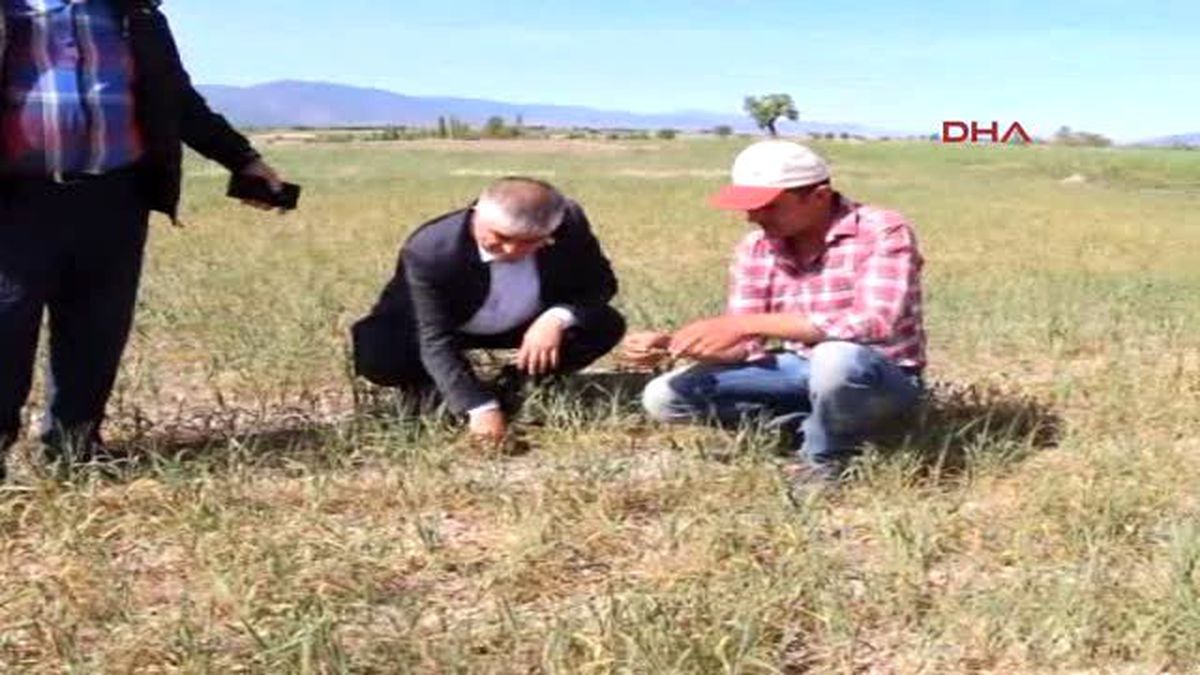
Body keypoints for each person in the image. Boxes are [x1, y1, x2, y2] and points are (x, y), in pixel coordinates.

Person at [0, 0, 288, 480]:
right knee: (5, 327)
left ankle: (76, 447)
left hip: (115, 199)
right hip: (13, 202)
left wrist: (243, 160)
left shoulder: (134, 13)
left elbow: (176, 99)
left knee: (97, 328)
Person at [625, 140, 926, 489]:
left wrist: (744, 324)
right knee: (665, 396)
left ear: (819, 196)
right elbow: (744, 346)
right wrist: (674, 344)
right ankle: (825, 426)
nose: (752, 217)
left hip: (880, 377)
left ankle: (827, 460)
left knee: (835, 357)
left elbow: (875, 321)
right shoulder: (756, 247)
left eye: (767, 206)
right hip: (796, 370)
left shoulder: (882, 229)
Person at [352, 176, 625, 443]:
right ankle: (432, 389)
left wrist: (556, 318)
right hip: (450, 326)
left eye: (529, 241)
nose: (511, 249)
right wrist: (479, 408)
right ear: (477, 214)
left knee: (604, 324)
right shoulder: (431, 249)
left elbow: (601, 285)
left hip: (525, 324)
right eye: (500, 237)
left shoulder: (570, 224)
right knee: (379, 352)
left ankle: (522, 385)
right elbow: (433, 336)